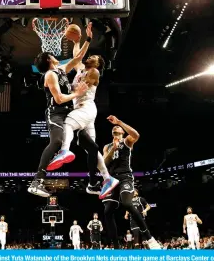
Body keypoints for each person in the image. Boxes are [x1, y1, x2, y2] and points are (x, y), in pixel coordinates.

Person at [45, 35, 119, 199]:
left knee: (68, 124)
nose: (90, 57)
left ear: (97, 64)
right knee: (90, 148)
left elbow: (80, 86)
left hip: (85, 108)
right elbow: (77, 56)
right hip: (86, 114)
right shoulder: (82, 70)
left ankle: (64, 150)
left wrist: (66, 78)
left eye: (93, 57)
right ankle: (107, 178)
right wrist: (77, 41)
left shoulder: (94, 72)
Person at [27, 24, 93, 197]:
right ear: (49, 59)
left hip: (68, 114)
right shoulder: (49, 75)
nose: (54, 55)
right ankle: (37, 181)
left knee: (87, 142)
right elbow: (58, 99)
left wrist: (86, 39)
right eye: (51, 55)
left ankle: (95, 180)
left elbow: (78, 57)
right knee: (56, 141)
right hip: (55, 112)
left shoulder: (61, 70)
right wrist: (76, 93)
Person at [101, 115, 161, 249]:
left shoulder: (127, 141)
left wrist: (119, 122)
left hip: (125, 177)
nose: (115, 128)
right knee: (107, 212)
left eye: (118, 128)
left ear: (122, 131)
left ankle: (150, 239)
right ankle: (116, 247)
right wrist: (113, 149)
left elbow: (136, 135)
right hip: (112, 180)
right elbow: (104, 162)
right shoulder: (107, 146)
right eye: (114, 127)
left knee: (127, 203)